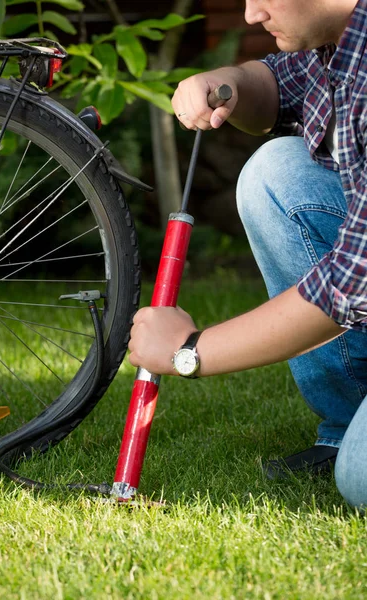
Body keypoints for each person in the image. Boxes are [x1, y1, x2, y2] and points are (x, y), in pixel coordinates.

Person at [128, 0, 367, 509]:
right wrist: (225, 81)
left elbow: (350, 287)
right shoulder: (342, 40)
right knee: (274, 173)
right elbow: (282, 84)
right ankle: (347, 423)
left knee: (362, 478)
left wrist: (187, 351)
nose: (252, 14)